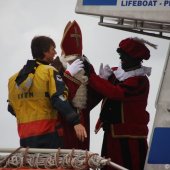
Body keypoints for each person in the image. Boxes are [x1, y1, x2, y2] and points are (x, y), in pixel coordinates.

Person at [88, 37, 157, 170]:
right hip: (112, 133)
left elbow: (116, 93)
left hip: (129, 137)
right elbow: (103, 89)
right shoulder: (118, 73)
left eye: (125, 57)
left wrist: (93, 76)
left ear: (136, 59)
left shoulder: (140, 81)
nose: (121, 60)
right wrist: (103, 78)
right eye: (121, 56)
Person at [7, 35, 87, 149]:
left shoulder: (13, 79)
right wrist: (76, 122)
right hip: (48, 135)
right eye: (52, 49)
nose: (55, 53)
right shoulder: (49, 71)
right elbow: (59, 99)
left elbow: (11, 108)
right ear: (45, 52)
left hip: (25, 137)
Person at [52, 20, 102, 150]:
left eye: (77, 59)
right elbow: (58, 98)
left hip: (83, 121)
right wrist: (68, 76)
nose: (75, 61)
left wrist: (102, 83)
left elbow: (88, 103)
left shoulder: (85, 67)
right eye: (71, 59)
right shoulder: (54, 68)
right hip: (63, 122)